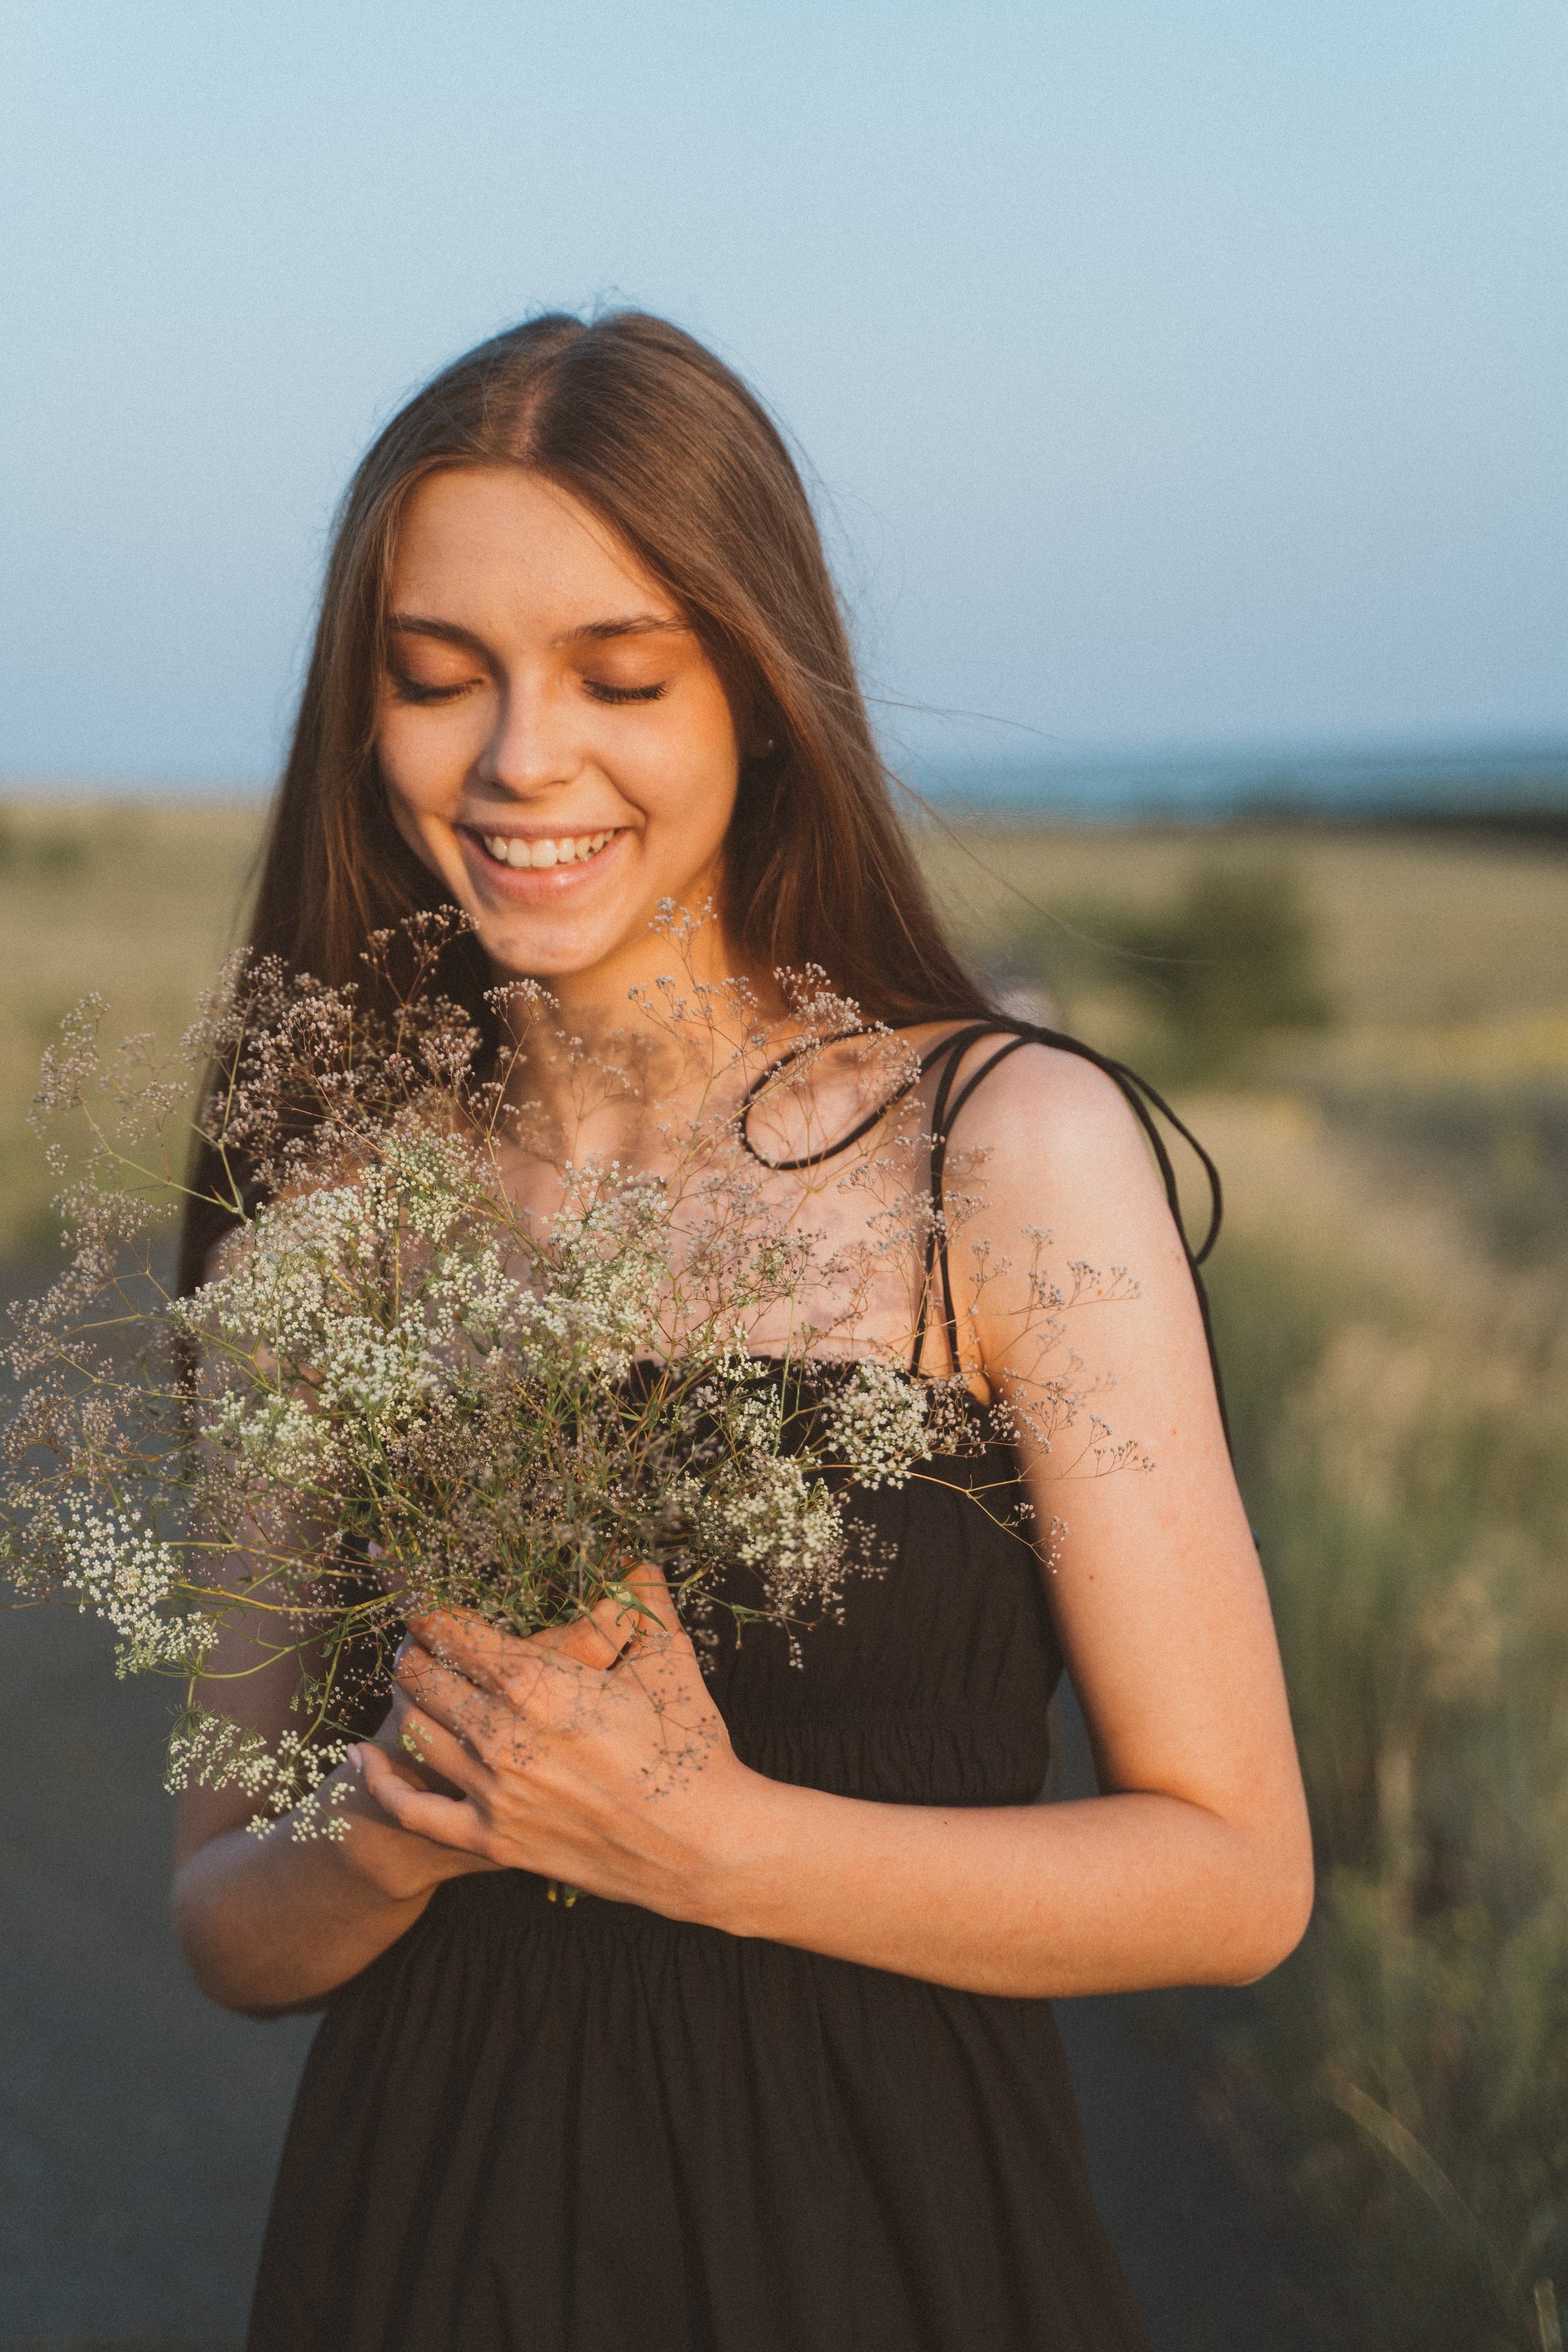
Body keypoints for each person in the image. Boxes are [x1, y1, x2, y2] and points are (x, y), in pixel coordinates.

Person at [172, 311, 1313, 2352]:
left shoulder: (1001, 1153)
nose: (524, 758)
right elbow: (222, 1916)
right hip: (420, 2259)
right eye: (441, 679)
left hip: (894, 2250)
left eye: (622, 676)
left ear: (764, 698)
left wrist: (708, 1846)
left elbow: (1235, 1878)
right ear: (365, 712)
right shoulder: (335, 1224)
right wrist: (397, 1825)